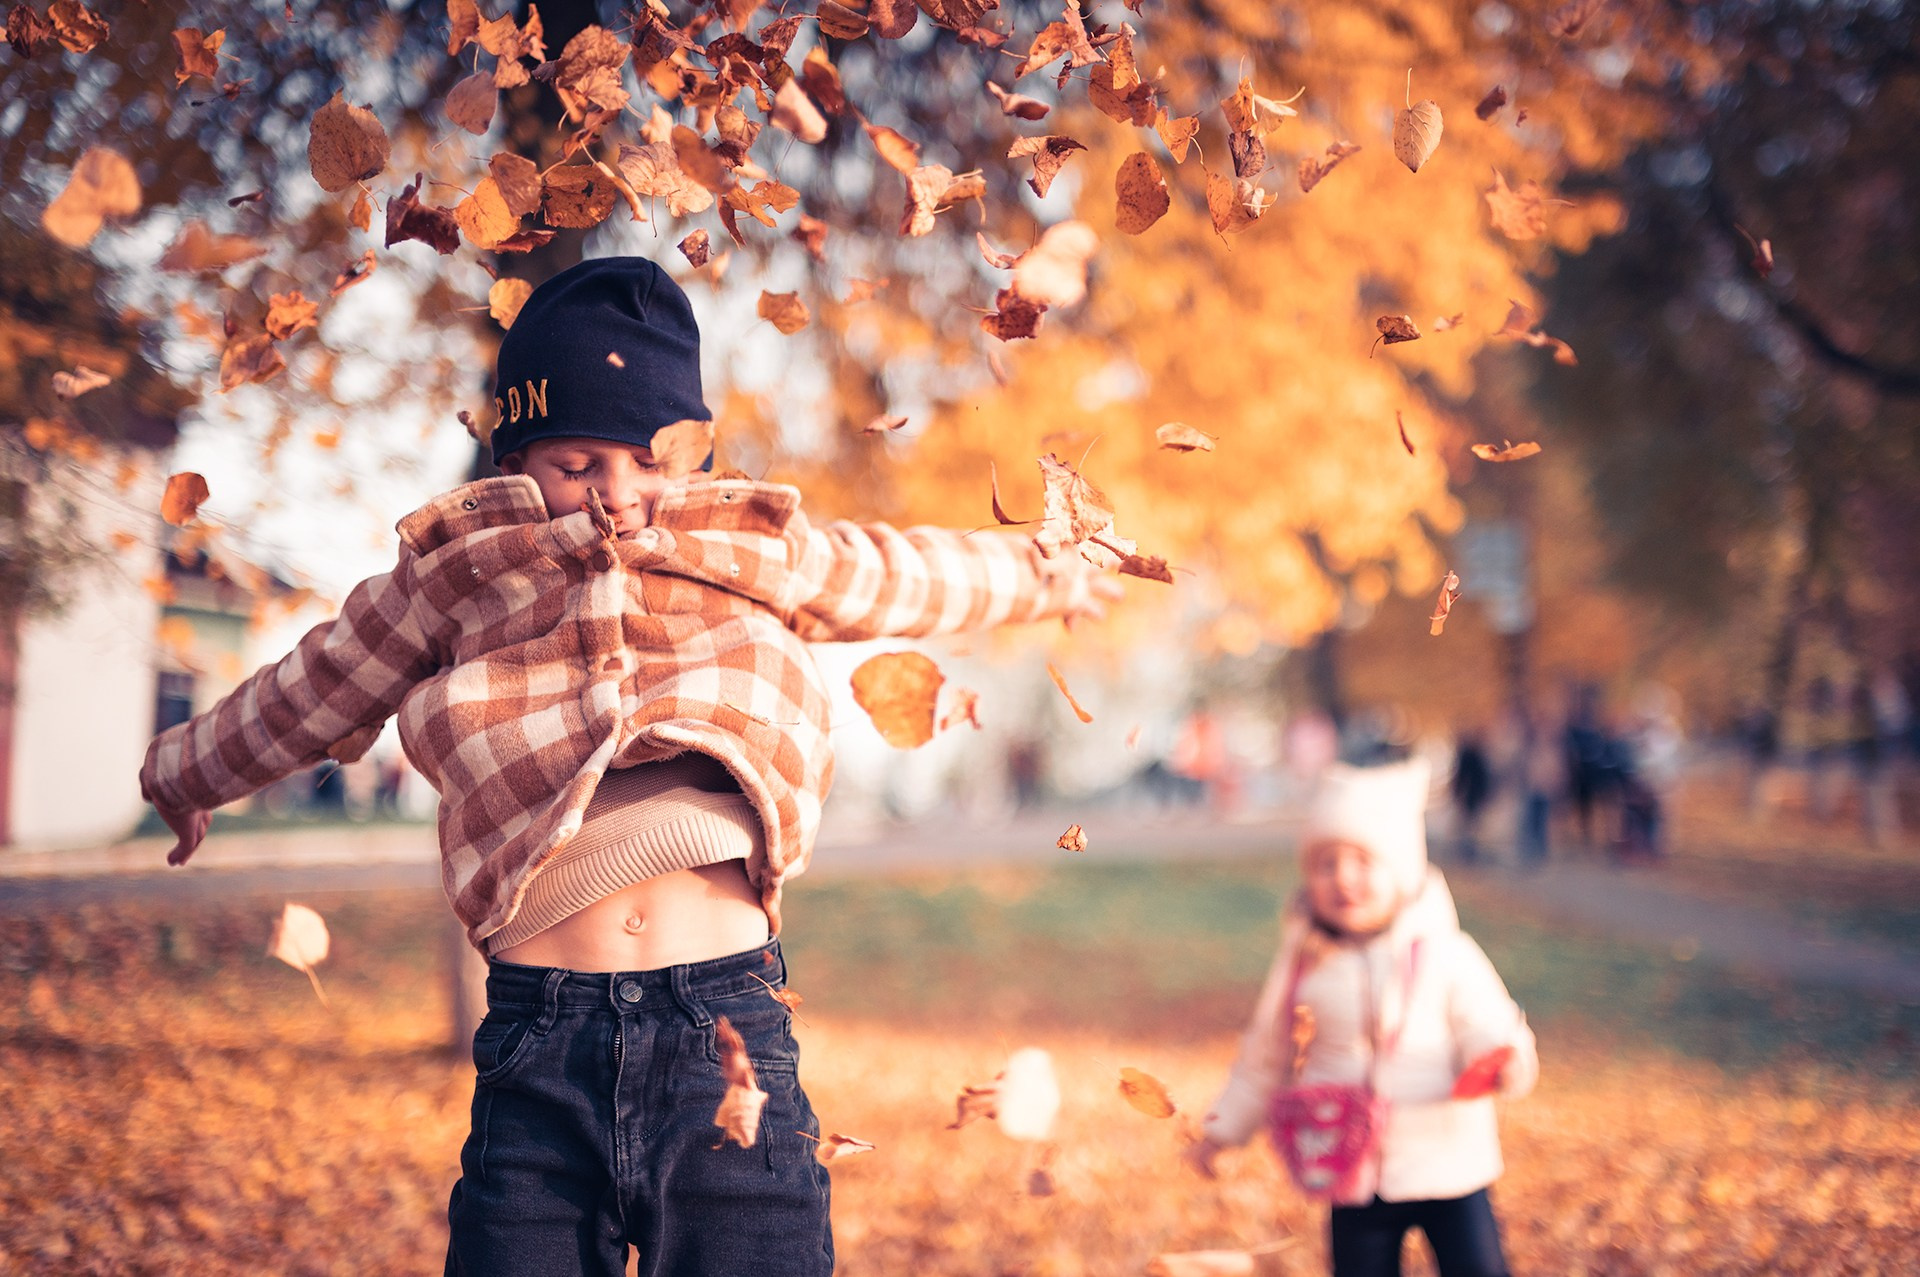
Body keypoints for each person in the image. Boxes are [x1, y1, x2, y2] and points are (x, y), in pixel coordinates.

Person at [137, 257, 1116, 1277]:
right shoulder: (459, 572)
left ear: (687, 454)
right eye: (577, 464)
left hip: (725, 1034)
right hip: (537, 1040)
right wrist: (185, 773)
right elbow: (317, 682)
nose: (616, 496)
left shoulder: (747, 545)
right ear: (519, 456)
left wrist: (1048, 574)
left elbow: (900, 570)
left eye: (647, 461)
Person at [1188, 760, 1538, 1277]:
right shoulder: (1305, 962)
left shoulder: (1446, 952)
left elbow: (1486, 1023)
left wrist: (1501, 1059)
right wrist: (1221, 1129)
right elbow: (1265, 1056)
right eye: (1325, 865)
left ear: (1402, 872)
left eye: (1362, 862)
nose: (1343, 879)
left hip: (1446, 1158)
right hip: (1350, 1170)